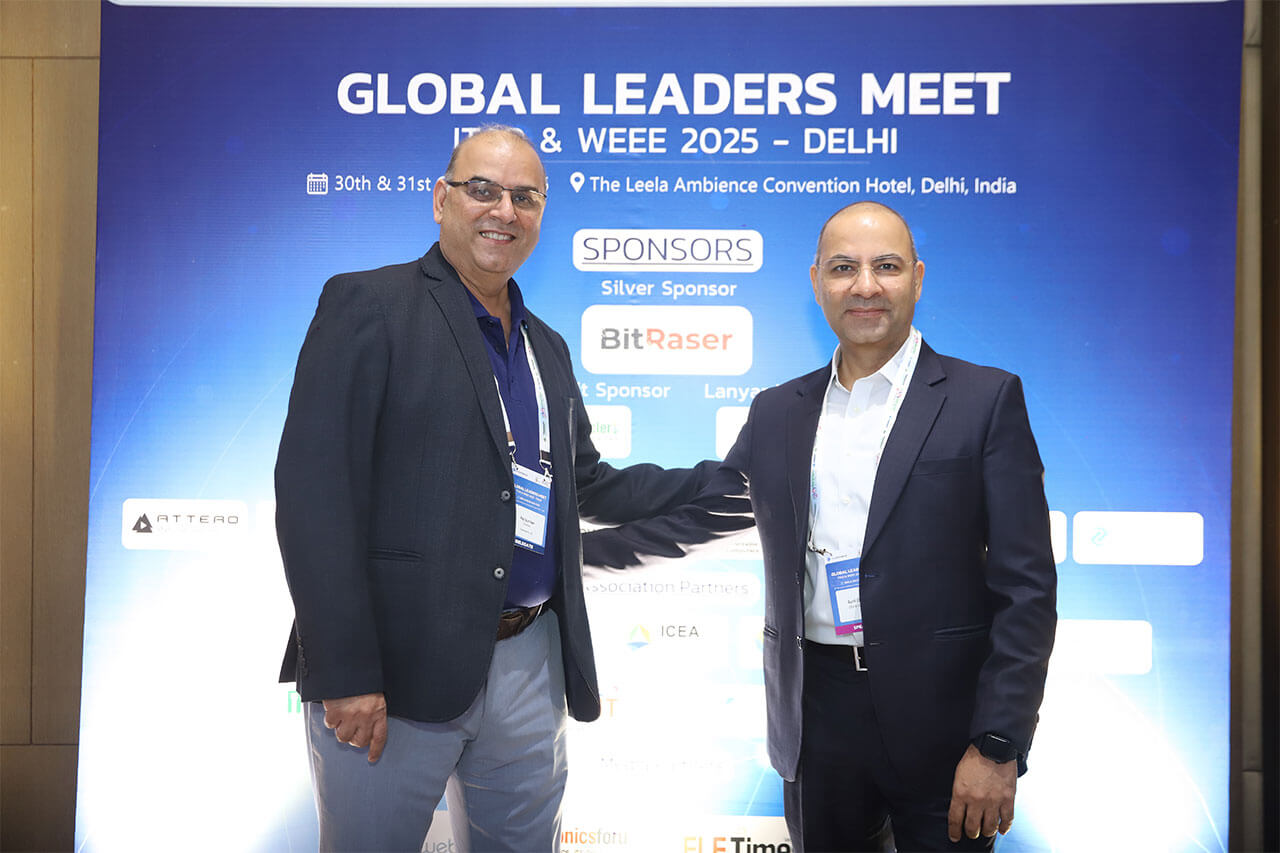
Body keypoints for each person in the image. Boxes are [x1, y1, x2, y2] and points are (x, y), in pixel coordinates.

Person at [275, 125, 714, 852]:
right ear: (441, 200)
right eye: (483, 190)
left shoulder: (547, 346)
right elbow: (314, 498)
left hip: (529, 662)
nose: (503, 210)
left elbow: (584, 483)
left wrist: (726, 481)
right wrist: (345, 670)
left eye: (524, 197)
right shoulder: (369, 304)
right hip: (396, 668)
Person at [583, 201, 1057, 852]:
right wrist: (568, 552)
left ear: (917, 277)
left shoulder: (984, 400)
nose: (865, 285)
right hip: (816, 715)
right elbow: (701, 510)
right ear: (816, 282)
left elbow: (1026, 588)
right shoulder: (779, 410)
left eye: (885, 266)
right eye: (843, 268)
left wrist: (998, 742)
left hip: (945, 726)